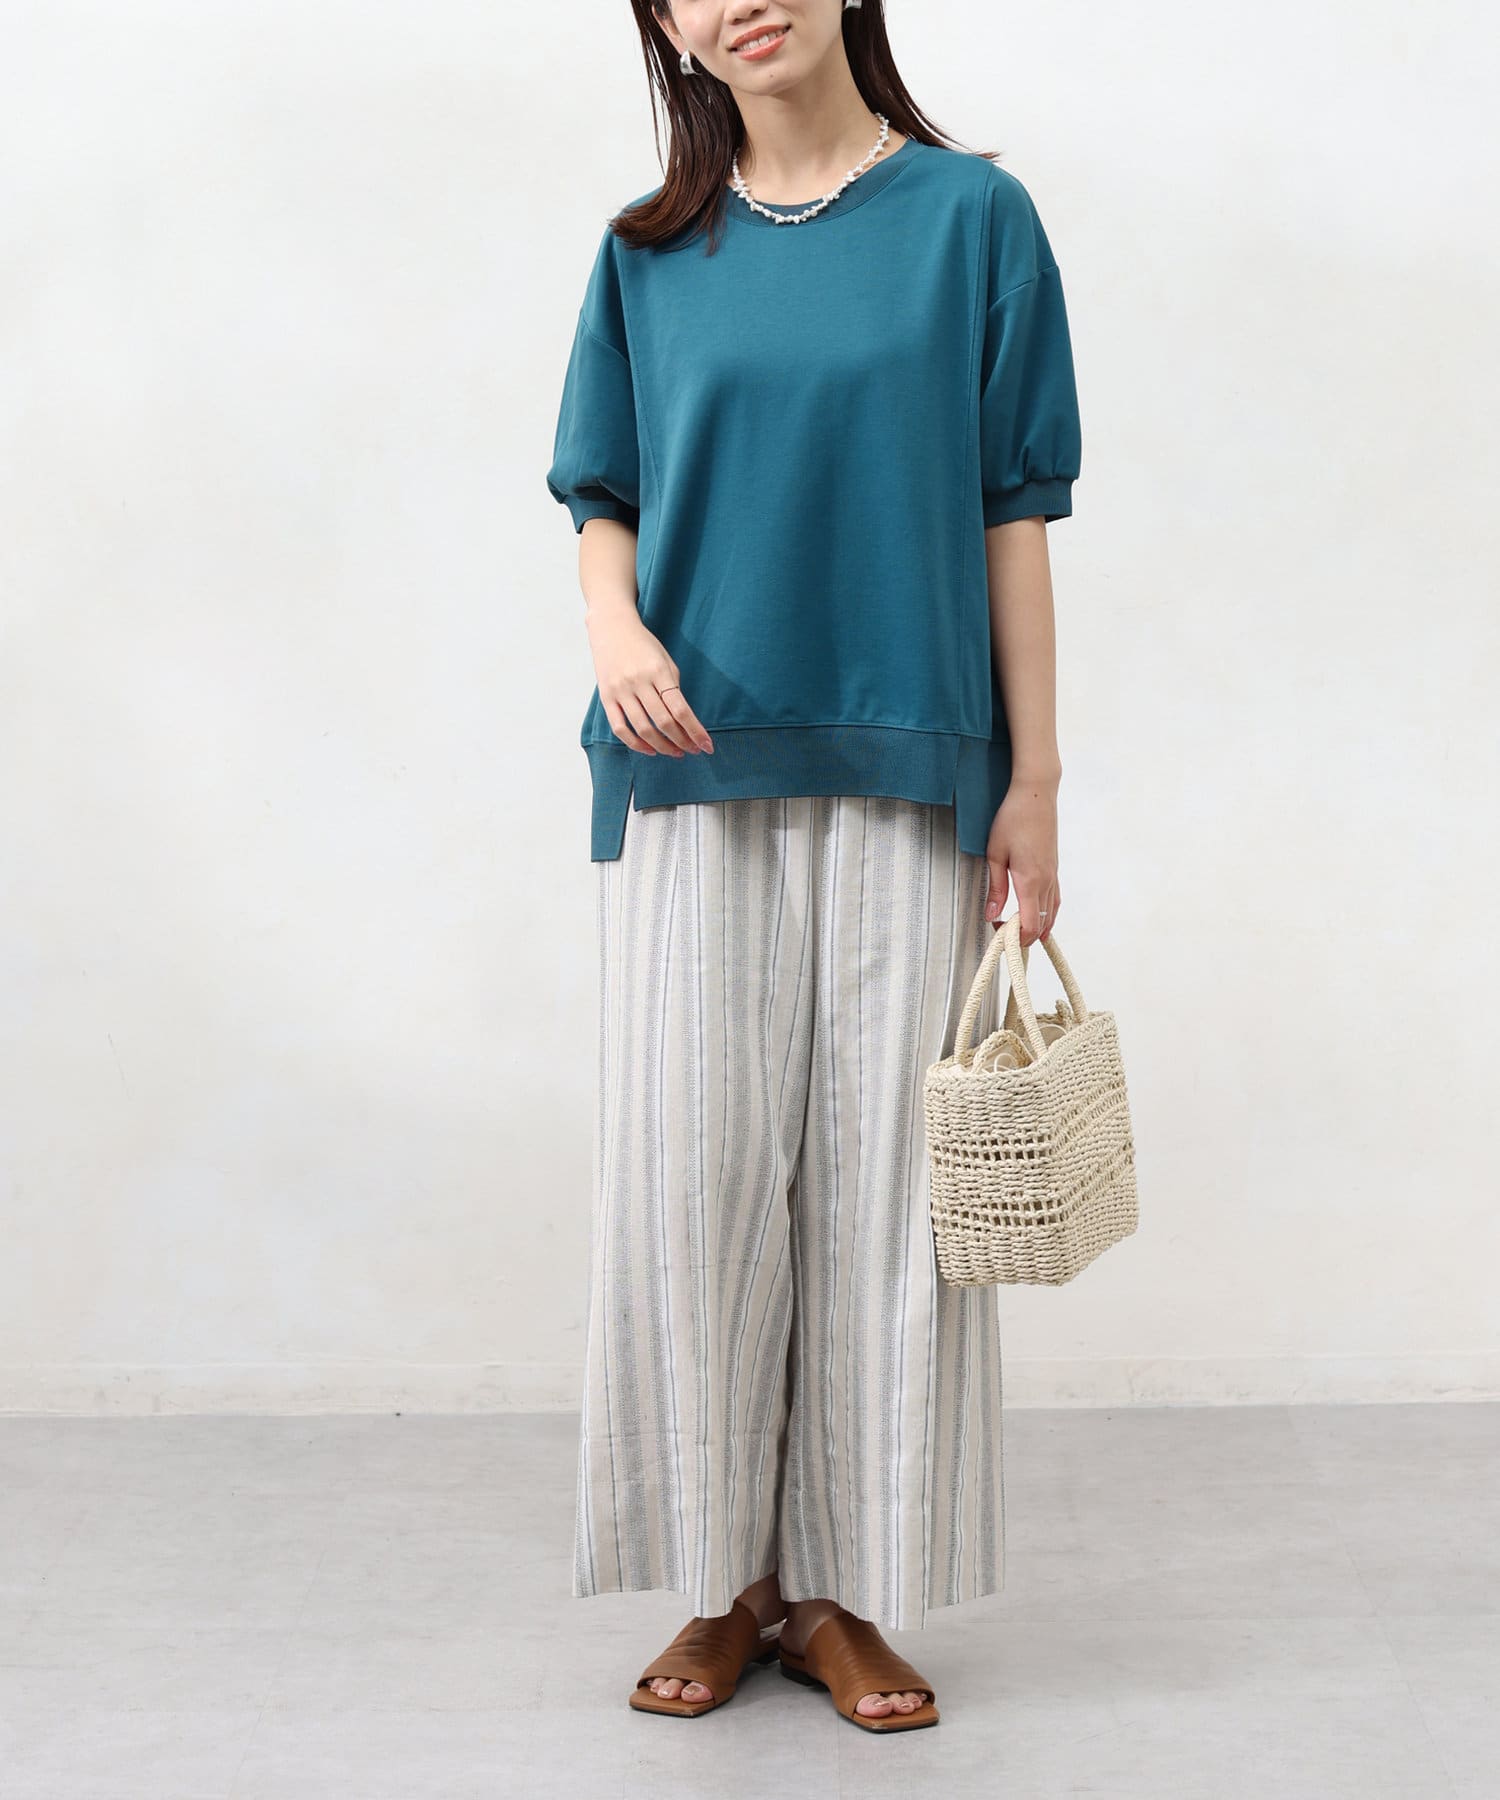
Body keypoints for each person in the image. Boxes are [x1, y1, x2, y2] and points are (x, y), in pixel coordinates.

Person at [543, 0, 1081, 1735]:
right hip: (687, 766)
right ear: (667, 29)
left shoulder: (972, 220)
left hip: (913, 765)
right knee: (695, 1188)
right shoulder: (647, 252)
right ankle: (724, 1580)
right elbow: (600, 492)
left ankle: (844, 1591)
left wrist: (1036, 779)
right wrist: (616, 630)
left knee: (879, 1204)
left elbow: (1014, 511)